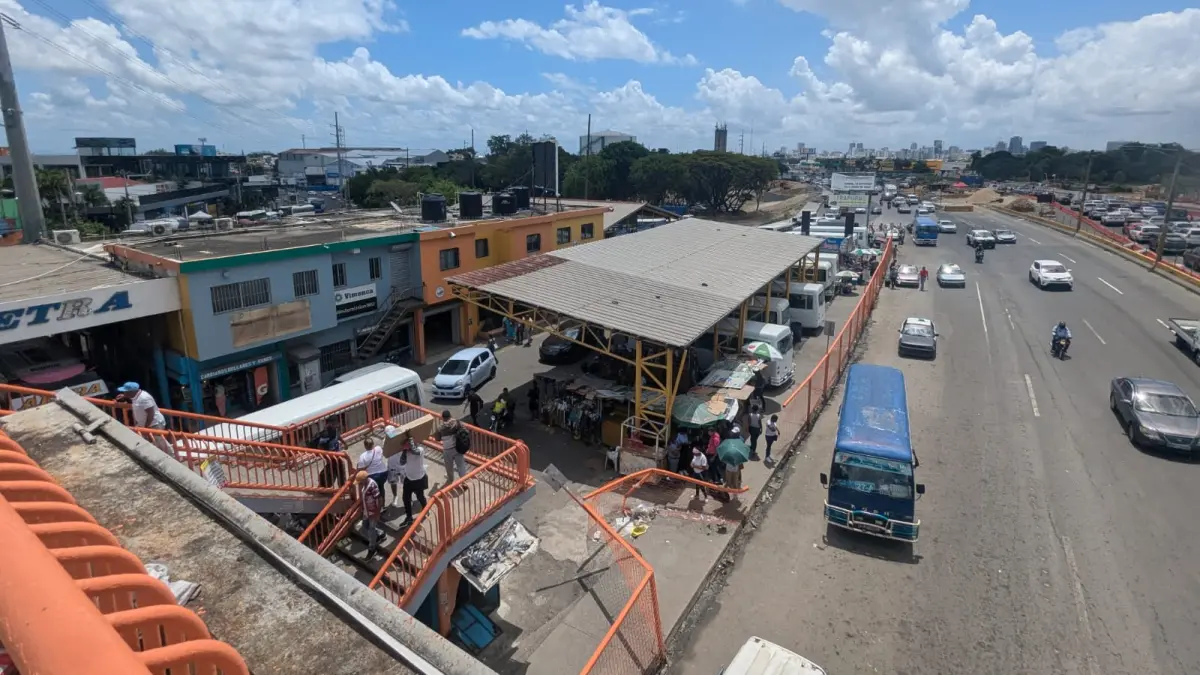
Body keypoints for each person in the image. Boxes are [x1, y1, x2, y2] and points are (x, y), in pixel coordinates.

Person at [115, 382, 171, 454]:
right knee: (147, 441)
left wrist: (146, 427)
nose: (123, 392)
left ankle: (173, 456)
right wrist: (124, 396)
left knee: (160, 442)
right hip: (143, 425)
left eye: (125, 391)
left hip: (154, 424)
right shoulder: (135, 396)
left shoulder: (144, 398)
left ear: (131, 392)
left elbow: (151, 413)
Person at [390, 428, 428, 526]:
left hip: (419, 479)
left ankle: (426, 509)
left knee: (420, 496)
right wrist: (404, 450)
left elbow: (415, 450)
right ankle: (409, 517)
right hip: (409, 479)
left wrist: (409, 437)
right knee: (406, 498)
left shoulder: (420, 450)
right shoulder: (407, 452)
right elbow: (402, 462)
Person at [437, 410, 469, 487]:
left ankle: (450, 479)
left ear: (443, 418)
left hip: (447, 450)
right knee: (461, 465)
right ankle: (463, 482)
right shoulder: (457, 423)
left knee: (449, 466)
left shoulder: (440, 428)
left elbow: (437, 438)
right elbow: (465, 431)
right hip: (458, 448)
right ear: (450, 416)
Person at [355, 471, 383, 558]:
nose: (359, 484)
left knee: (371, 530)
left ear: (364, 479)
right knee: (365, 527)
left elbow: (379, 499)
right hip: (367, 512)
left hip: (373, 512)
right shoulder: (364, 485)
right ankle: (380, 534)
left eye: (360, 482)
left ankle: (372, 549)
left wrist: (377, 514)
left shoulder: (372, 485)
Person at [313, 419, 347, 488]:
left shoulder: (335, 431)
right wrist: (324, 454)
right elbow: (320, 445)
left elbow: (338, 436)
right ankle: (342, 487)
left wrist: (344, 443)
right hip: (331, 457)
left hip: (336, 456)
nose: (337, 425)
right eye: (335, 423)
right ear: (331, 424)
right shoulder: (325, 435)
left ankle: (324, 483)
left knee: (334, 469)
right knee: (339, 469)